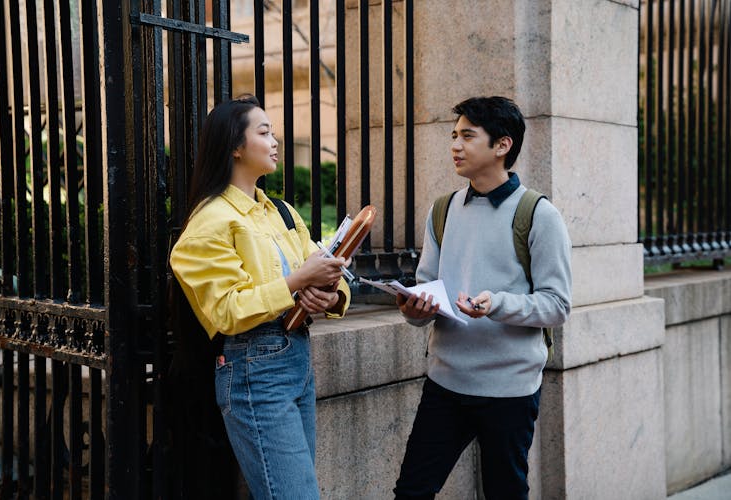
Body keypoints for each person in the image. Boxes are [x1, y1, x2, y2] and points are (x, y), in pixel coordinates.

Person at [169, 95, 351, 500]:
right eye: (264, 132)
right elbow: (227, 311)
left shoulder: (281, 212)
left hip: (298, 358)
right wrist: (295, 283)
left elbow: (326, 272)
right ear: (235, 146)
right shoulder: (209, 222)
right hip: (253, 367)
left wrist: (329, 295)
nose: (275, 142)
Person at [393, 96, 572, 500]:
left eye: (468, 136)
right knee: (411, 491)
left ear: (502, 146)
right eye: (454, 135)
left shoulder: (539, 215)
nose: (455, 145)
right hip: (445, 381)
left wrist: (498, 304)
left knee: (505, 493)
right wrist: (414, 308)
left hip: (509, 389)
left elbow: (557, 305)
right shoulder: (442, 210)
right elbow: (428, 286)